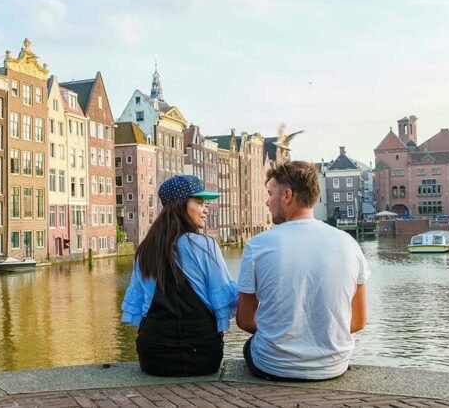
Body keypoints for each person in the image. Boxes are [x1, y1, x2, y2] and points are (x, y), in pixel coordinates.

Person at [236, 161, 370, 381]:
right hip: (333, 364)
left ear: (286, 195)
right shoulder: (349, 243)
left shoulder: (258, 245)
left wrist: (284, 336)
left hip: (273, 365)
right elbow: (358, 321)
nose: (267, 202)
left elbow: (244, 320)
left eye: (270, 194)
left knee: (251, 346)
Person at [121, 175, 238, 377]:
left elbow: (140, 309)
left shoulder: (144, 250)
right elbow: (224, 301)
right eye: (200, 203)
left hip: (153, 357)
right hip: (201, 356)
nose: (206, 209)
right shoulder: (205, 246)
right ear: (182, 205)